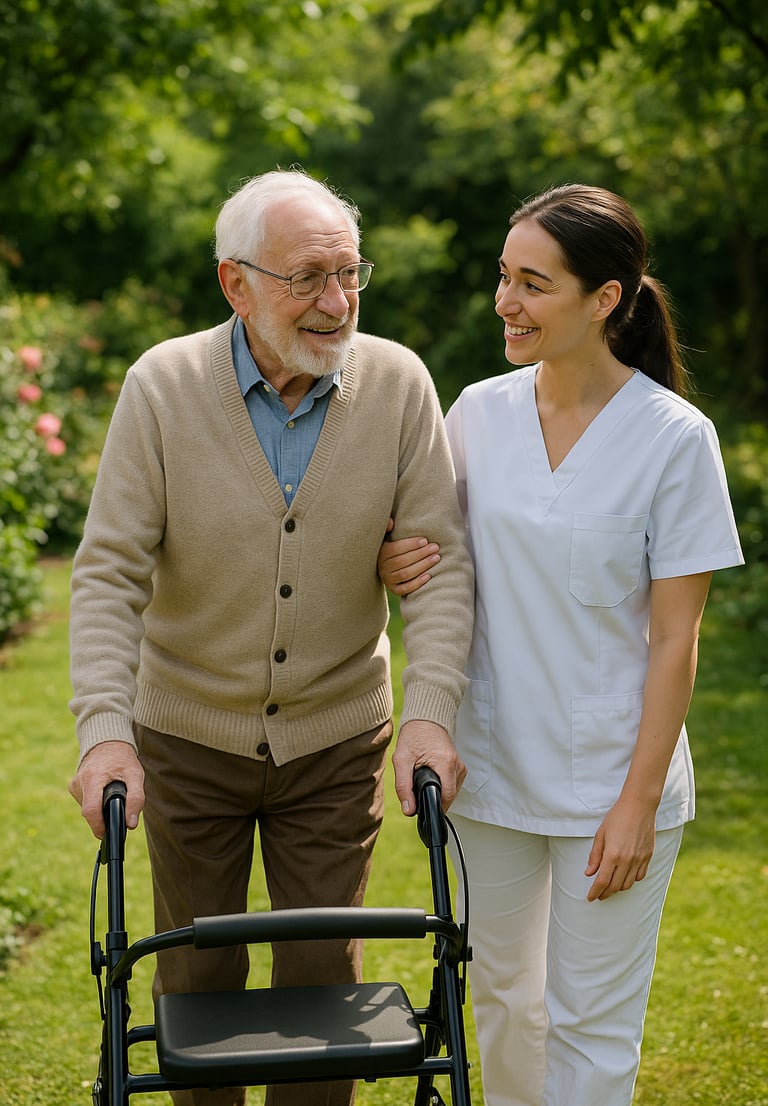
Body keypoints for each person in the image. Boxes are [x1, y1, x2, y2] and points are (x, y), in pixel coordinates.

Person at [68, 168, 474, 1106]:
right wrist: (105, 731)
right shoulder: (163, 387)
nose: (337, 303)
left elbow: (439, 571)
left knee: (321, 982)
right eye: (307, 278)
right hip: (187, 736)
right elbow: (108, 573)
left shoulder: (401, 384)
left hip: (336, 736)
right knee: (195, 971)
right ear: (235, 283)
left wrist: (430, 718)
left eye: (349, 273)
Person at [379, 183, 744, 1106]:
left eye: (534, 284)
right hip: (491, 773)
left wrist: (636, 802)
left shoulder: (674, 440)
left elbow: (675, 639)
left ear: (605, 299)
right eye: (504, 278)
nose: (506, 302)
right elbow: (440, 564)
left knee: (590, 1026)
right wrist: (394, 556)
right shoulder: (475, 414)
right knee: (501, 1004)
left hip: (611, 786)